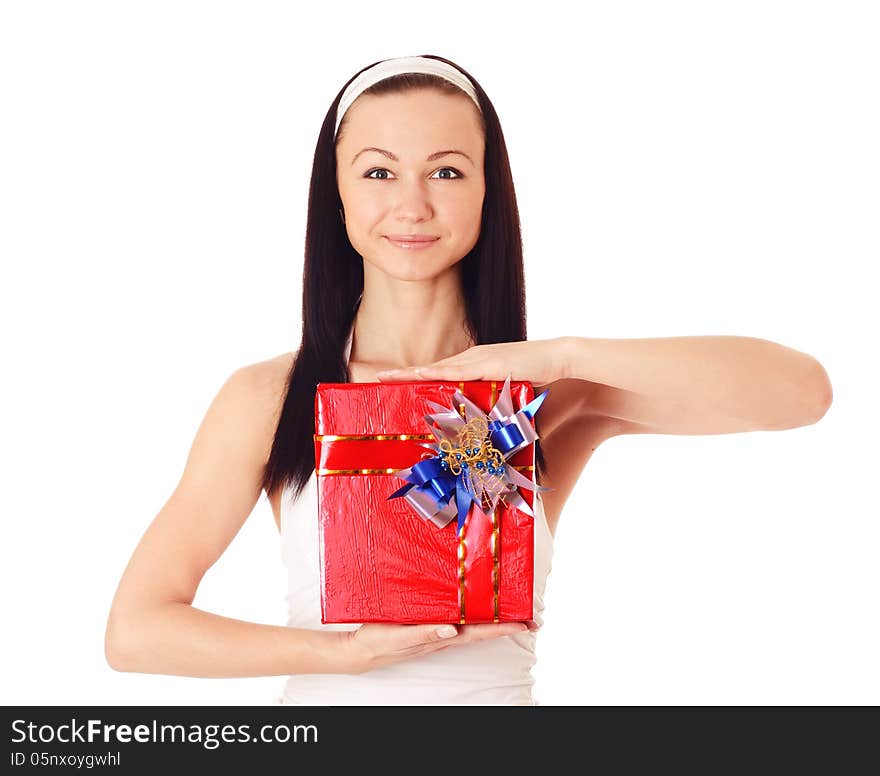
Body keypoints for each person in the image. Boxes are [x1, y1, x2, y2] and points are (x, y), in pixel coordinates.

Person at [104, 54, 833, 705]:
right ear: (337, 194)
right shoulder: (273, 396)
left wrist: (563, 355)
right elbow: (137, 631)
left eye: (447, 171)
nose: (413, 204)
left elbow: (803, 394)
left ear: (490, 190)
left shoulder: (546, 392)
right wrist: (347, 655)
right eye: (379, 171)